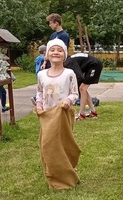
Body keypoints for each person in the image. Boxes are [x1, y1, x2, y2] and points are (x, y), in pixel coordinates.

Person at [35, 39, 81, 189]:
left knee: (64, 145)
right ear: (47, 54)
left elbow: (75, 93)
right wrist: (39, 104)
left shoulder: (69, 74)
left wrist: (68, 100)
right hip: (47, 116)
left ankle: (67, 173)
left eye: (60, 50)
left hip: (63, 115)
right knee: (48, 145)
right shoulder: (42, 74)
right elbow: (39, 92)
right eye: (52, 50)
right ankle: (54, 175)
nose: (56, 52)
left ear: (64, 55)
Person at [64, 52, 103, 119]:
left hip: (95, 65)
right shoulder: (70, 59)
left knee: (82, 89)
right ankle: (93, 112)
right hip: (91, 66)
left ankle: (81, 114)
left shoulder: (68, 62)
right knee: (82, 89)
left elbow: (79, 76)